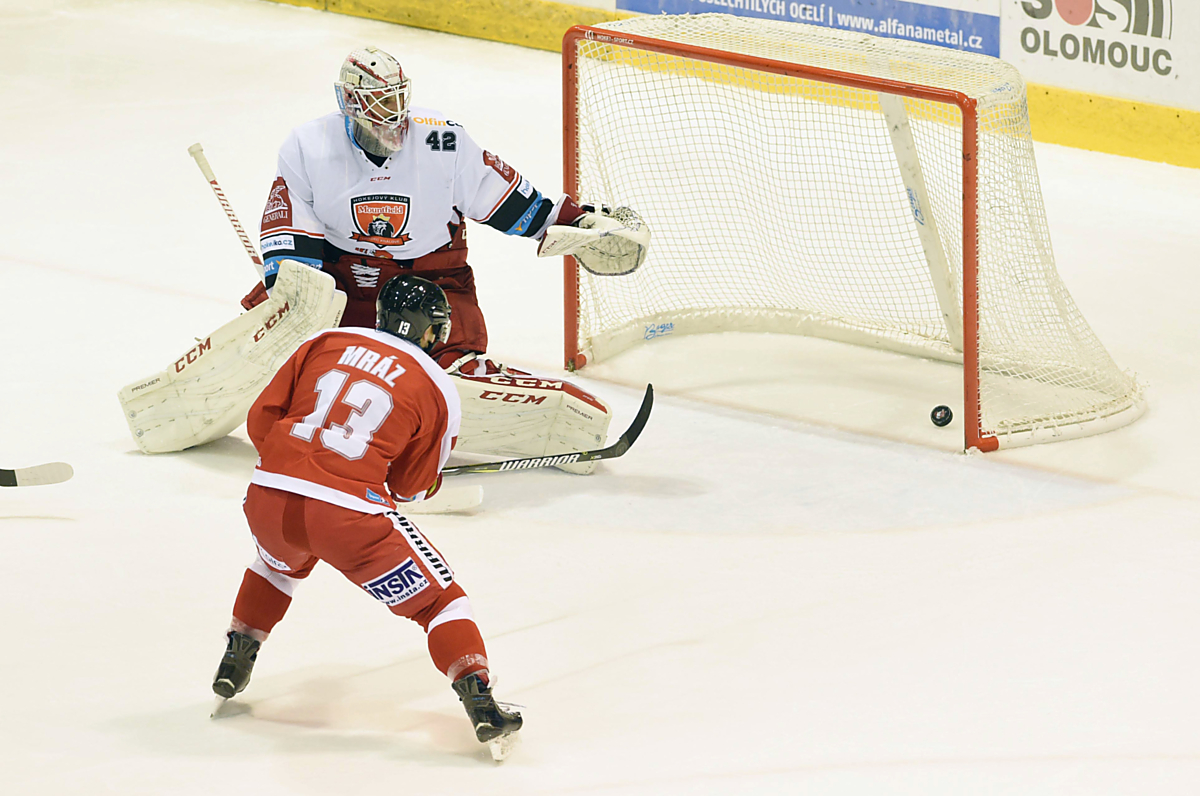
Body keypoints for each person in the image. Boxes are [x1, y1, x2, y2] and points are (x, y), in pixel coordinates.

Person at [243, 45, 648, 474]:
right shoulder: (308, 144)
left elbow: (504, 196)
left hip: (431, 281)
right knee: (280, 339)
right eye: (380, 101)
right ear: (349, 101)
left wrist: (572, 222)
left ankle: (525, 408)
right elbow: (291, 230)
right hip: (342, 279)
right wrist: (293, 298)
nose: (393, 112)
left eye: (397, 98)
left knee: (452, 369)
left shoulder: (442, 139)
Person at [213, 275, 522, 756]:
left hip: (268, 498)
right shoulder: (438, 386)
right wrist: (413, 479)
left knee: (276, 565)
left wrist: (298, 463)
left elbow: (261, 421)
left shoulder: (324, 341)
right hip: (348, 520)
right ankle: (480, 702)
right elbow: (409, 486)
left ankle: (236, 656)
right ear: (431, 331)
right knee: (442, 605)